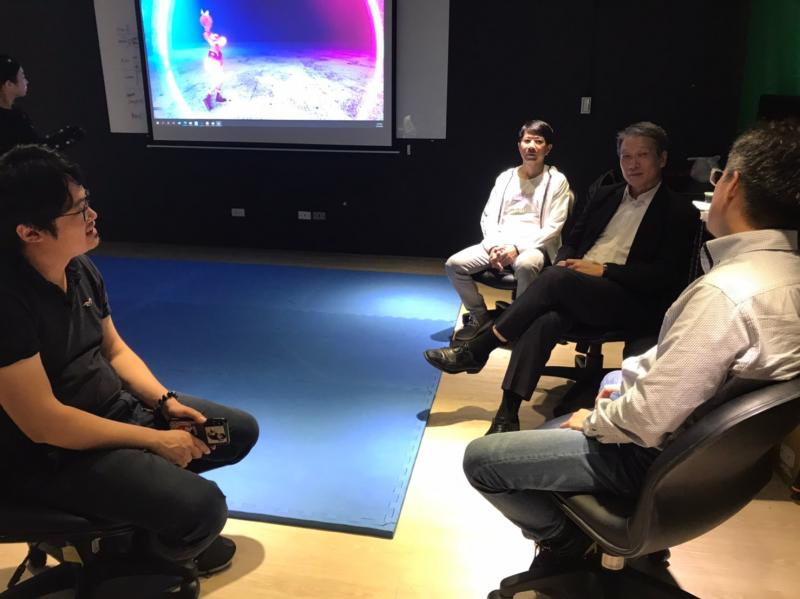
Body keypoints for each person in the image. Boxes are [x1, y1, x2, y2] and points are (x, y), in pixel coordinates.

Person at [461, 119, 800, 581]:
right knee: (557, 319)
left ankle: (564, 542)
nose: (633, 163)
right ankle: (504, 382)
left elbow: (645, 420)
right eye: (626, 155)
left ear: (732, 185)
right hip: (718, 468)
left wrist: (595, 420)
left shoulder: (726, 295)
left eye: (719, 178)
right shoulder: (787, 279)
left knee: (482, 461)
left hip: (650, 458)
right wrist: (621, 383)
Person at [0, 145, 259, 575]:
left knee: (237, 431)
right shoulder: (8, 302)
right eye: (78, 210)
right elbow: (44, 423)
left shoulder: (78, 267)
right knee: (205, 509)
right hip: (53, 456)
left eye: (87, 202)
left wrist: (165, 402)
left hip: (114, 411)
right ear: (30, 232)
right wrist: (153, 440)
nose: (92, 215)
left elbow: (114, 350)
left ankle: (138, 532)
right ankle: (127, 564)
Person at [425, 121, 698, 434]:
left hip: (627, 297)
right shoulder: (606, 195)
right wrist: (567, 259)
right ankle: (506, 414)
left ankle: (479, 348)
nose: (632, 164)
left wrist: (604, 270)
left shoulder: (679, 210)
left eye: (642, 155)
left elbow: (665, 275)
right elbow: (573, 239)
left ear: (662, 159)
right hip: (579, 287)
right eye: (626, 156)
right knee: (546, 318)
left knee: (554, 278)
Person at [446, 120, 572, 341]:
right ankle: (480, 316)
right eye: (527, 141)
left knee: (526, 265)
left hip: (534, 245)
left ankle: (517, 324)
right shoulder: (505, 177)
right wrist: (494, 246)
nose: (531, 146)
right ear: (519, 145)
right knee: (454, 265)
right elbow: (488, 217)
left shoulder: (557, 180)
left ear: (548, 148)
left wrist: (516, 248)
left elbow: (554, 226)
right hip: (499, 242)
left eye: (538, 141)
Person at [0, 54, 83, 155]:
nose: (27, 81)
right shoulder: (15, 118)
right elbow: (34, 150)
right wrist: (67, 136)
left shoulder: (17, 114)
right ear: (9, 84)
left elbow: (34, 147)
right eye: (23, 77)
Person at [199, 10, 228, 111]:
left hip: (217, 56)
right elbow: (211, 42)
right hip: (213, 58)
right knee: (217, 79)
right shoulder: (206, 34)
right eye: (209, 21)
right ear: (206, 23)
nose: (211, 22)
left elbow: (217, 44)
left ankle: (218, 95)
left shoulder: (211, 33)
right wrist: (218, 40)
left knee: (221, 78)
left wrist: (218, 39)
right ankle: (207, 97)